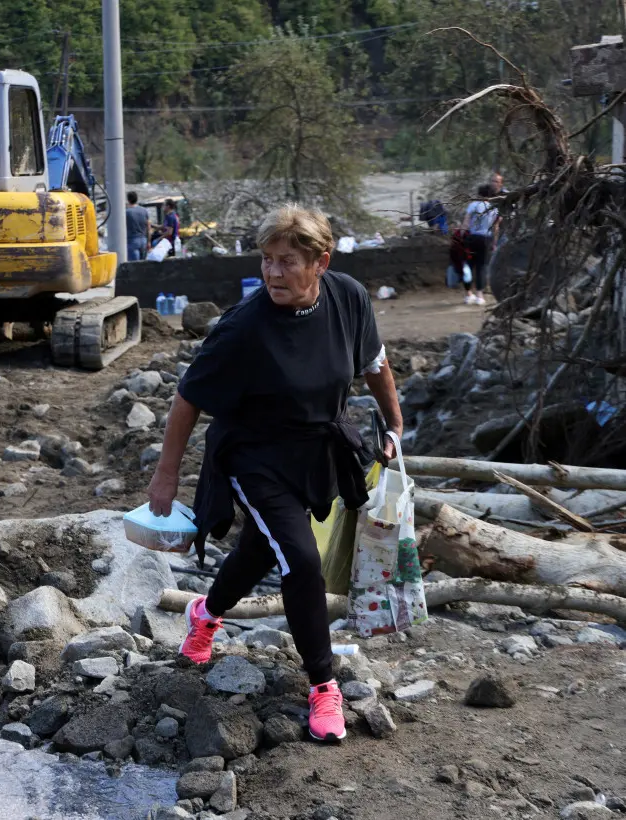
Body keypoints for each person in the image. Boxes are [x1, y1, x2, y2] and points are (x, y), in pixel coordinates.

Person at [147, 204, 404, 743]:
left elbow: (374, 362)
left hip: (317, 450)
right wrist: (166, 477)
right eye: (266, 261)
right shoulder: (243, 327)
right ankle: (323, 685)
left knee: (266, 548)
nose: (273, 273)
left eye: (287, 262)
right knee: (302, 558)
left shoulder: (349, 298)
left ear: (321, 263)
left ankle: (204, 614)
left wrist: (394, 424)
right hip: (253, 456)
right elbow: (188, 398)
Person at [462, 184, 498, 306]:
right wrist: (494, 242)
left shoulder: (473, 205)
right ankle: (479, 295)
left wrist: (462, 235)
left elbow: (466, 222)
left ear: (479, 194)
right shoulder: (494, 208)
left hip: (472, 238)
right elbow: (496, 227)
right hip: (486, 238)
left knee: (468, 265)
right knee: (482, 266)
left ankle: (468, 294)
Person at [126, 192, 151, 261]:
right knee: (143, 265)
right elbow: (149, 228)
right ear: (137, 199)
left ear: (128, 200)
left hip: (132, 241)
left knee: (134, 265)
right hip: (143, 240)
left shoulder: (126, 212)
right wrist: (149, 242)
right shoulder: (144, 211)